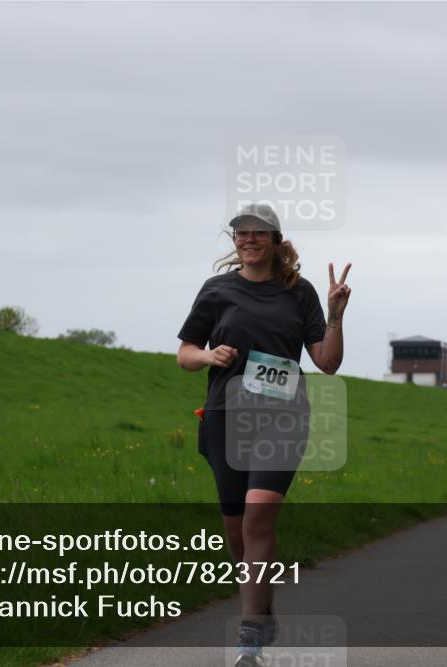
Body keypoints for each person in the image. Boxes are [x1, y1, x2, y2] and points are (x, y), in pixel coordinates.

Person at [176, 203, 351, 667]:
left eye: (258, 233)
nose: (248, 239)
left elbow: (328, 362)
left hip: (283, 418)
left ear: (276, 240)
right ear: (235, 241)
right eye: (241, 233)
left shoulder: (299, 292)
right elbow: (185, 352)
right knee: (236, 531)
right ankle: (261, 604)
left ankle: (248, 638)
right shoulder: (216, 290)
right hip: (225, 417)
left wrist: (335, 316)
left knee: (258, 518)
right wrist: (208, 357)